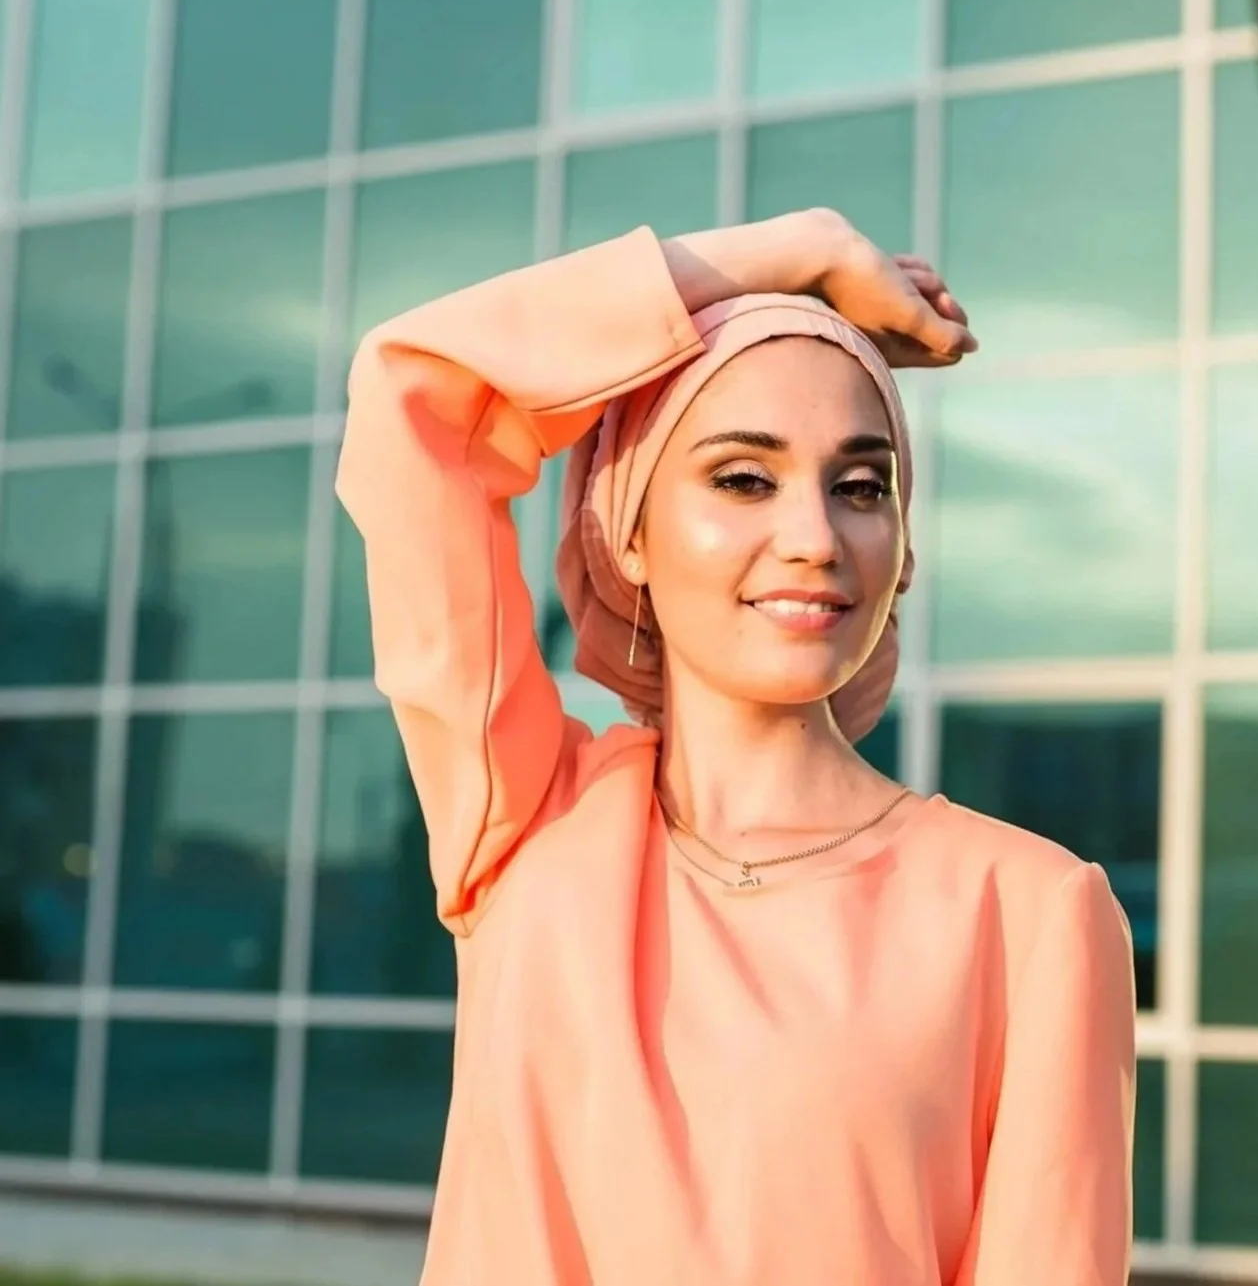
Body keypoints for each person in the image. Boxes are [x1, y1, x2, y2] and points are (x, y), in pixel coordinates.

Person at [337, 206, 1137, 1285]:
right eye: (742, 478)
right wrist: (793, 254)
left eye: (861, 487)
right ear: (627, 527)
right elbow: (415, 397)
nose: (814, 538)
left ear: (901, 553)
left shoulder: (1028, 912)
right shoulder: (527, 825)